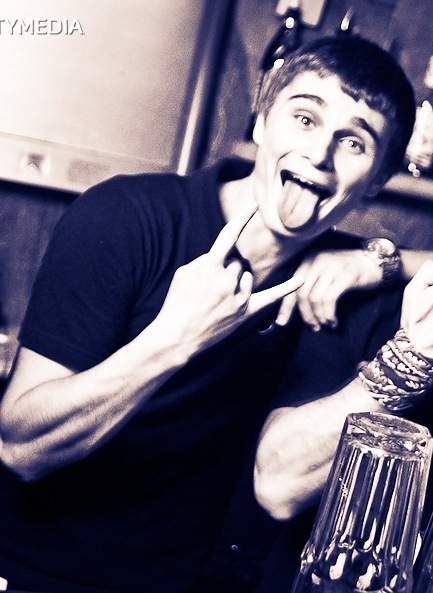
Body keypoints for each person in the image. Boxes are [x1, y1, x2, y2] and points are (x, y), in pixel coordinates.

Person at [0, 35, 431, 593]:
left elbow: (278, 488)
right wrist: (174, 339)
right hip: (37, 573)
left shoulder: (343, 284)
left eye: (354, 143)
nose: (319, 154)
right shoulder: (127, 216)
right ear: (262, 120)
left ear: (378, 181)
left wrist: (385, 260)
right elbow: (21, 447)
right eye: (305, 119)